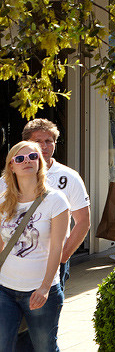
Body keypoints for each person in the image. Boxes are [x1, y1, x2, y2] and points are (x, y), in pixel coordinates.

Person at [0, 141, 70, 352]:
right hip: (5, 289)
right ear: (12, 166)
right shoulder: (4, 202)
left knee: (44, 348)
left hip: (39, 291)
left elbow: (57, 248)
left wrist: (45, 288)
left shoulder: (56, 201)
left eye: (33, 157)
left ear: (40, 163)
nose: (27, 161)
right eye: (20, 159)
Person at [21, 120, 88, 288]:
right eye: (38, 141)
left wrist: (63, 257)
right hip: (16, 261)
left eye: (49, 141)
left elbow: (84, 221)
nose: (44, 146)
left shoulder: (69, 177)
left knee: (46, 311)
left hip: (53, 261)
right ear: (26, 144)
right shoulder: (10, 177)